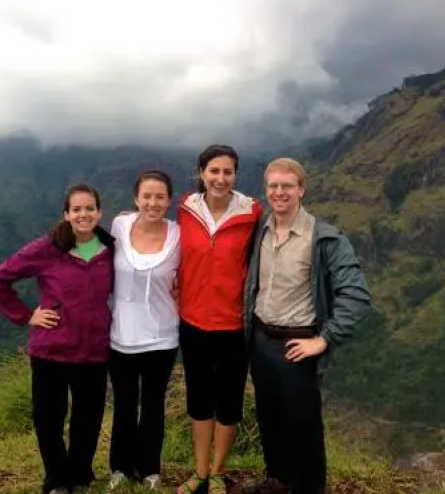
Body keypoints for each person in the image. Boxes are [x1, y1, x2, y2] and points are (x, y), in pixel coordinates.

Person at [242, 158, 372, 494]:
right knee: (270, 417)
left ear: (301, 189)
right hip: (260, 339)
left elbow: (356, 295)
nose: (279, 192)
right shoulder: (260, 230)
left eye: (287, 186)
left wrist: (325, 339)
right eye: (273, 186)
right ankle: (278, 480)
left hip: (297, 345)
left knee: (304, 426)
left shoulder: (325, 239)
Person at [0, 183, 114, 494]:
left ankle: (79, 475)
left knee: (88, 416)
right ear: (66, 214)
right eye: (76, 209)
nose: (83, 214)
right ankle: (56, 479)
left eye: (89, 208)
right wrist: (27, 315)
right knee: (48, 417)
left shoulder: (110, 249)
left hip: (94, 348)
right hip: (51, 349)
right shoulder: (47, 248)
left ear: (99, 212)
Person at [176, 145, 263, 494]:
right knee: (199, 398)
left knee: (229, 401)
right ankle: (199, 471)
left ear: (236, 175)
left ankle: (217, 472)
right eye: (214, 171)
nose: (220, 178)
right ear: (201, 173)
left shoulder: (252, 213)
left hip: (234, 324)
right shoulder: (186, 209)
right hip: (193, 320)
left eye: (227, 172)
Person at [107, 170, 181, 492]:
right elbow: (93, 255)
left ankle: (149, 468)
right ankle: (120, 467)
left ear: (169, 200)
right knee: (124, 404)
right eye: (146, 196)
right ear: (136, 199)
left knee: (153, 404)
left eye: (160, 197)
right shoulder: (119, 226)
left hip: (162, 335)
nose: (153, 203)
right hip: (121, 332)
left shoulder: (179, 235)